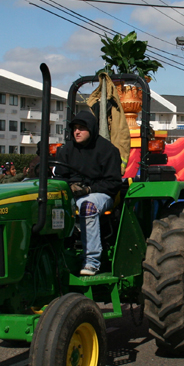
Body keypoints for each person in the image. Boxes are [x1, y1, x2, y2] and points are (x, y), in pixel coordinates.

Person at [54, 110, 123, 275]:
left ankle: (91, 261)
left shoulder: (107, 150)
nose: (76, 132)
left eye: (81, 128)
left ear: (91, 129)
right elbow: (60, 176)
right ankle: (58, 257)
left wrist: (88, 189)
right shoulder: (67, 150)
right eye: (74, 128)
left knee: (88, 206)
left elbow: (113, 183)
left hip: (101, 195)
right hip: (73, 195)